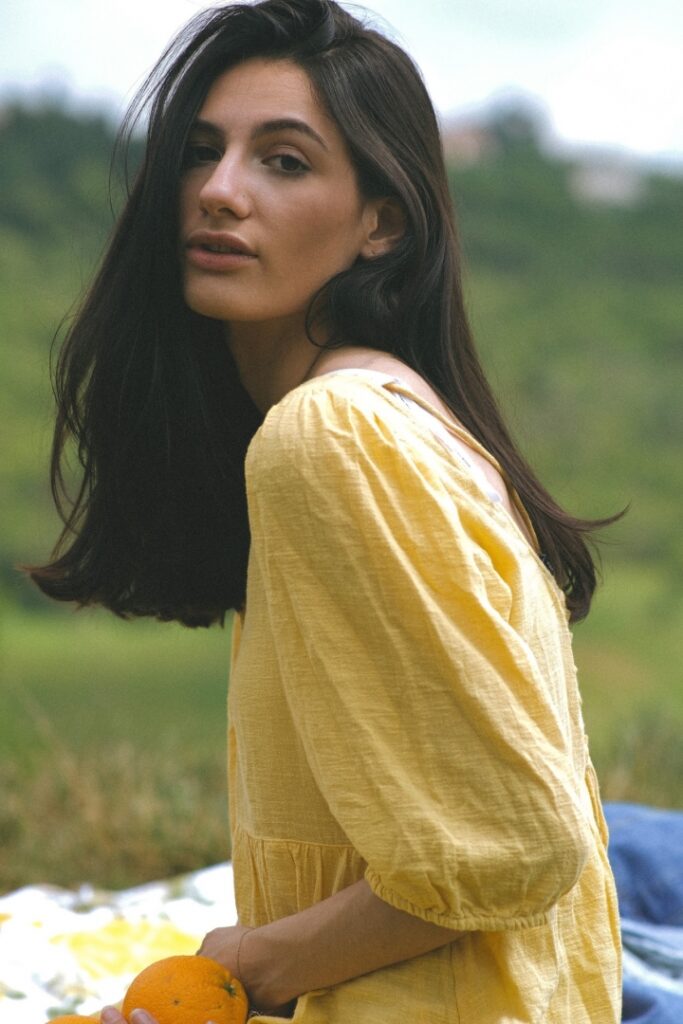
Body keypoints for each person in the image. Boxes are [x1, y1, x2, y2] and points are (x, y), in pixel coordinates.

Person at [30, 0, 623, 1020]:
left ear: (379, 223)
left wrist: (251, 966)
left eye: (284, 161)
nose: (219, 191)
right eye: (201, 152)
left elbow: (512, 844)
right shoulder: (395, 414)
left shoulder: (330, 435)